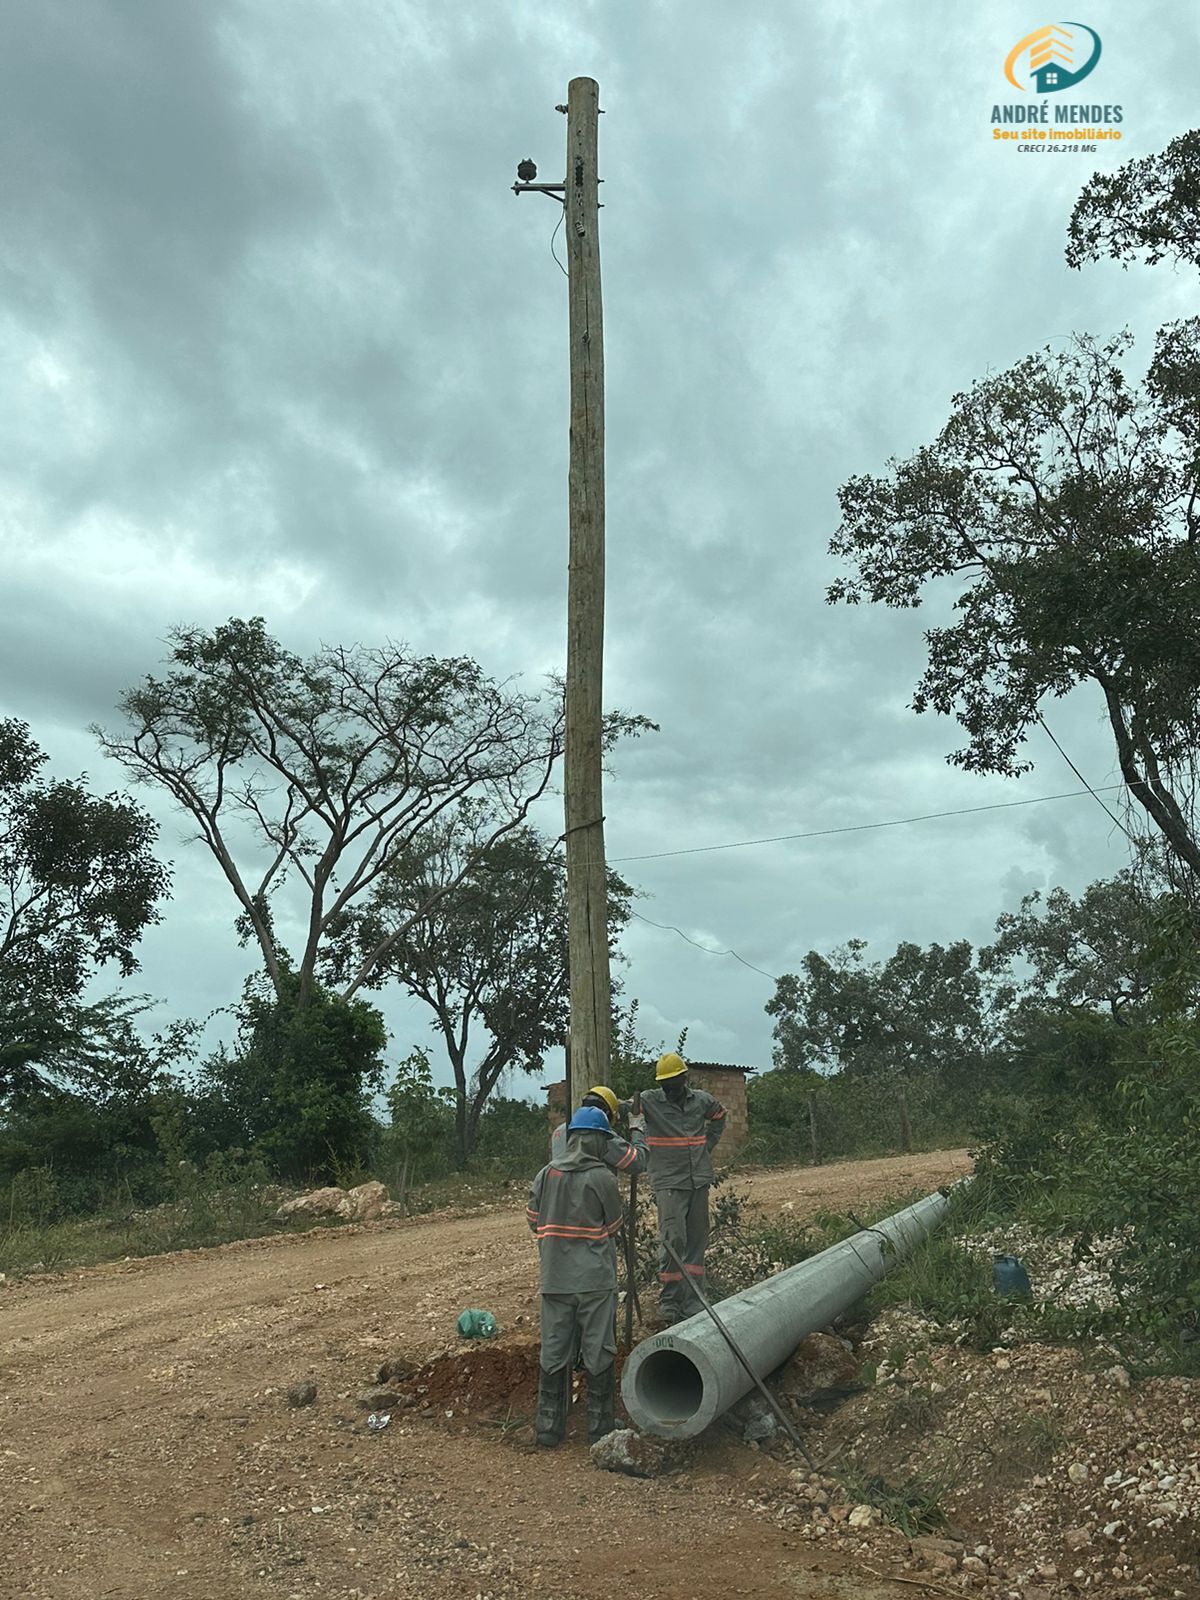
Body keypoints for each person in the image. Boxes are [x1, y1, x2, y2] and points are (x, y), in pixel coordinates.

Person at [526, 1106, 624, 1448]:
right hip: (595, 1281)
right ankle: (599, 1428)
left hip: (555, 1279)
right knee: (599, 1350)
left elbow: (533, 1219)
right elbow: (614, 1226)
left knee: (554, 1350)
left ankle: (548, 1428)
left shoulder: (546, 1175)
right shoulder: (603, 1178)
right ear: (596, 1139)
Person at [631, 1052, 725, 1326]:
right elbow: (626, 1109)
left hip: (698, 1180)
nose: (670, 1089)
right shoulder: (649, 1100)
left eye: (674, 1082)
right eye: (665, 1084)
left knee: (696, 1242)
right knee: (674, 1241)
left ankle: (694, 1300)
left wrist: (706, 1146)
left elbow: (719, 1115)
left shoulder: (701, 1100)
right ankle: (670, 1303)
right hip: (669, 1181)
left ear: (684, 1078)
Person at [550, 1083, 647, 1177]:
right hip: (593, 1190)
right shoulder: (600, 1134)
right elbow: (637, 1163)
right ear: (607, 1114)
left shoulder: (560, 1131)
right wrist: (637, 1129)